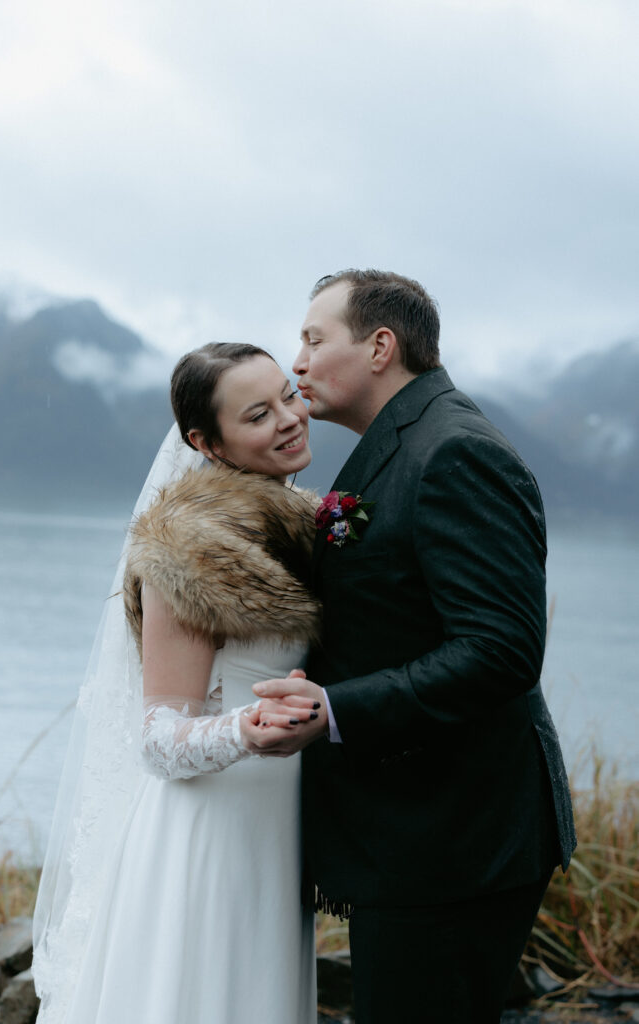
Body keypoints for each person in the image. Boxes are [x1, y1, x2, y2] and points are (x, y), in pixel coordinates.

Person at [250, 270, 577, 1024]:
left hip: (457, 838)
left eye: (313, 338)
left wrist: (333, 709)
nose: (295, 362)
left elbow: (499, 650)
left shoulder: (457, 452)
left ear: (380, 347)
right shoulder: (392, 447)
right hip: (417, 829)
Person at [32, 342, 322, 1024]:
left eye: (288, 394)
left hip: (277, 828)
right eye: (259, 413)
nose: (288, 418)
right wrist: (245, 730)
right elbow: (159, 740)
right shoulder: (187, 549)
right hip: (209, 831)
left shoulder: (306, 520)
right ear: (206, 441)